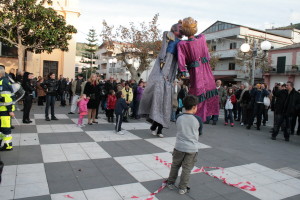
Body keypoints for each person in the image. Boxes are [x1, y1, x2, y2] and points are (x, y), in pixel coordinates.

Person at [139, 21, 183, 130]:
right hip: (166, 63)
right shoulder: (169, 34)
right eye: (180, 27)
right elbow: (164, 48)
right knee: (159, 89)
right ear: (175, 29)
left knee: (165, 95)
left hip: (172, 67)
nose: (182, 29)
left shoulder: (181, 42)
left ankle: (158, 123)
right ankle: (154, 119)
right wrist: (162, 60)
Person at [177, 17, 219, 125]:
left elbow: (181, 59)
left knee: (197, 91)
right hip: (205, 68)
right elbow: (207, 54)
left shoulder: (182, 44)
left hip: (195, 70)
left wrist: (182, 70)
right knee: (207, 90)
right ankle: (205, 115)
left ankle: (198, 116)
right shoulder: (201, 39)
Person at [167, 95, 202, 195]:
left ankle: (170, 182)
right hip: (191, 148)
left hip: (179, 146)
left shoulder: (178, 117)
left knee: (175, 165)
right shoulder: (198, 119)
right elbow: (200, 132)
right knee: (187, 169)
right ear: (195, 107)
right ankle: (182, 188)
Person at [0, 66, 15, 151]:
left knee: (5, 129)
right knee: (2, 129)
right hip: (3, 110)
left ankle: (8, 146)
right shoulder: (2, 81)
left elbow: (7, 98)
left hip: (5, 110)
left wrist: (10, 110)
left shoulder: (3, 82)